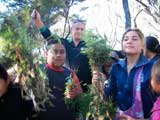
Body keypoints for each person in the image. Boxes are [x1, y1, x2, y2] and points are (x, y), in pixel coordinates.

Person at [93, 28, 155, 119]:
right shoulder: (116, 67)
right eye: (126, 39)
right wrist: (100, 85)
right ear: (122, 45)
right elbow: (111, 96)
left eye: (134, 39)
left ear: (142, 45)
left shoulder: (152, 67)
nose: (129, 41)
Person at [31, 10, 91, 92]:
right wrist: (38, 21)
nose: (79, 31)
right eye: (77, 29)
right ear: (72, 29)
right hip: (66, 85)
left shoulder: (89, 47)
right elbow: (49, 36)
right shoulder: (64, 43)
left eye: (82, 29)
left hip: (86, 88)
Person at [38, 38, 82, 120]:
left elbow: (80, 93)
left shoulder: (70, 73)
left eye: (62, 52)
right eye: (55, 51)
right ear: (46, 54)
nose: (58, 55)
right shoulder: (37, 71)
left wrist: (76, 93)